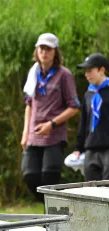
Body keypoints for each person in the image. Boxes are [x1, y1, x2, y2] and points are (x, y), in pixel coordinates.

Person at [21, 33, 79, 201]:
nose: (44, 52)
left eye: (48, 49)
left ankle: (52, 213)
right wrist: (25, 133)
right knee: (29, 174)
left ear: (55, 52)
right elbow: (29, 104)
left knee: (49, 176)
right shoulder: (33, 73)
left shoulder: (64, 75)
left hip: (54, 135)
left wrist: (51, 124)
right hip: (33, 135)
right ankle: (48, 205)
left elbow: (74, 107)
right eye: (41, 48)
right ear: (36, 50)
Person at [72, 53, 109, 181]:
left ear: (101, 70)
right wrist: (78, 148)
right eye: (85, 71)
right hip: (91, 148)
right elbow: (84, 122)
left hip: (107, 148)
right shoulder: (89, 93)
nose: (86, 74)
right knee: (91, 190)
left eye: (90, 71)